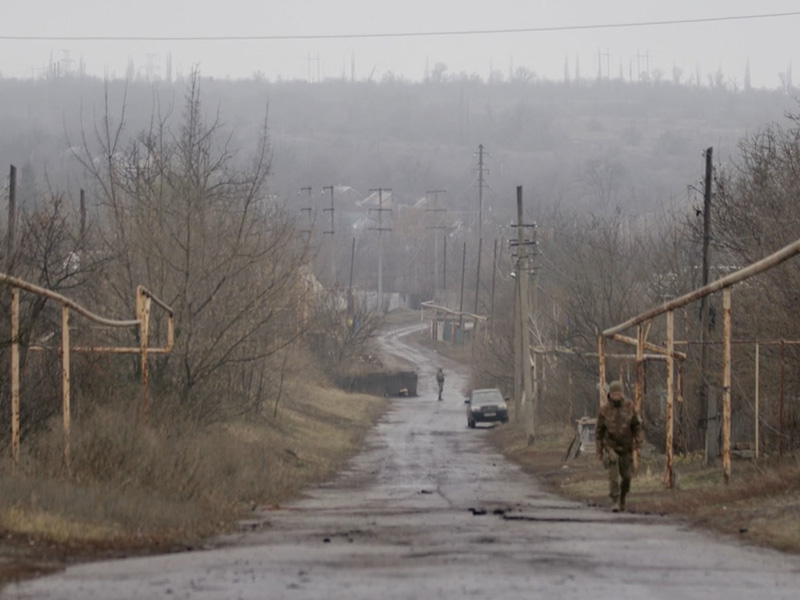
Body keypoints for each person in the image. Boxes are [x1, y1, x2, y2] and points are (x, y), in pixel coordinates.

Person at [596, 380, 643, 512]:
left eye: (618, 393)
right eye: (613, 394)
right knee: (613, 476)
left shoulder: (629, 407)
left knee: (627, 477)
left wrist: (638, 442)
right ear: (610, 394)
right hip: (610, 447)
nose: (616, 396)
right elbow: (599, 431)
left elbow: (636, 426)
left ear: (621, 394)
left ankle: (622, 498)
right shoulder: (604, 410)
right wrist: (600, 450)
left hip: (626, 447)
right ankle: (615, 500)